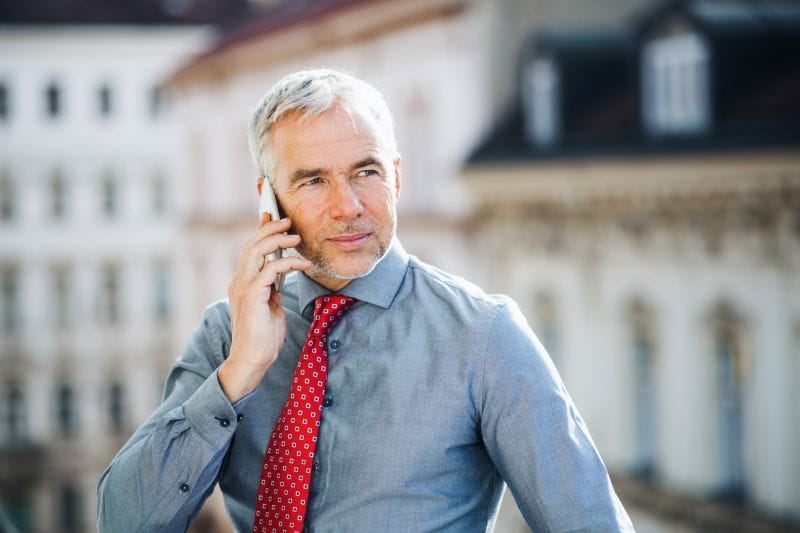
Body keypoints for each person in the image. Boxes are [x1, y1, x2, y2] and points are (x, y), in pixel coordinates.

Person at [97, 68, 633, 532]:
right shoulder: (226, 334)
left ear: (396, 177)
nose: (348, 205)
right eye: (313, 181)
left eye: (366, 172)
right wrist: (240, 373)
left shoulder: (484, 336)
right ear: (269, 200)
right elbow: (124, 519)